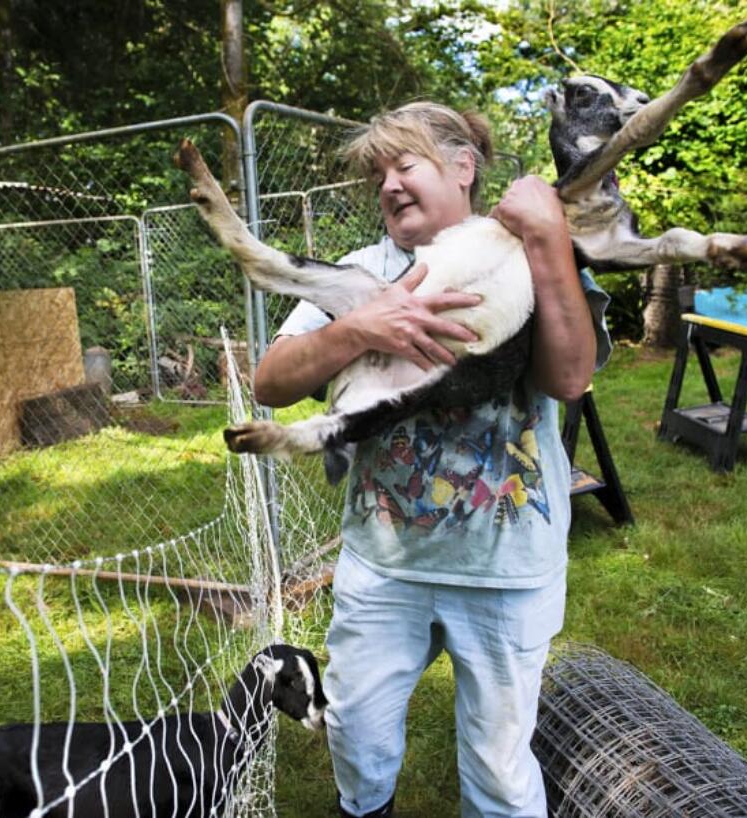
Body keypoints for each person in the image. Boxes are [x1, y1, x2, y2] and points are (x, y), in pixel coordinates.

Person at [253, 102, 612, 818]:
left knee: (500, 768)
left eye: (403, 164)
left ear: (463, 167)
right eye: (377, 174)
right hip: (385, 563)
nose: (386, 186)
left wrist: (546, 237)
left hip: (507, 569)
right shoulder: (364, 271)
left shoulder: (533, 256)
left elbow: (568, 380)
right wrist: (358, 327)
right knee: (353, 729)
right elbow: (271, 380)